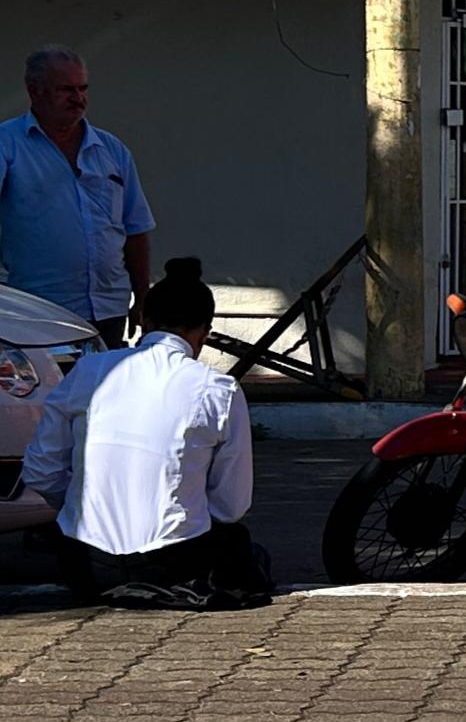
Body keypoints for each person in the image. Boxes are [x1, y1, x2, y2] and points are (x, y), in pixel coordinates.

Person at [24, 258, 268, 609]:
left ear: (143, 320)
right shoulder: (218, 389)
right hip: (174, 565)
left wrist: (80, 508)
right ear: (205, 332)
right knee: (240, 543)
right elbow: (230, 505)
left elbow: (41, 471)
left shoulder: (89, 370)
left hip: (87, 566)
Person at [0, 46, 155, 347]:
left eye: (83, 88)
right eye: (66, 89)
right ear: (35, 91)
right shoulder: (8, 145)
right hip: (40, 311)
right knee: (50, 394)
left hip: (108, 308)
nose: (78, 98)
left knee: (106, 392)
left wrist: (143, 297)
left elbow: (136, 229)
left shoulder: (111, 150)